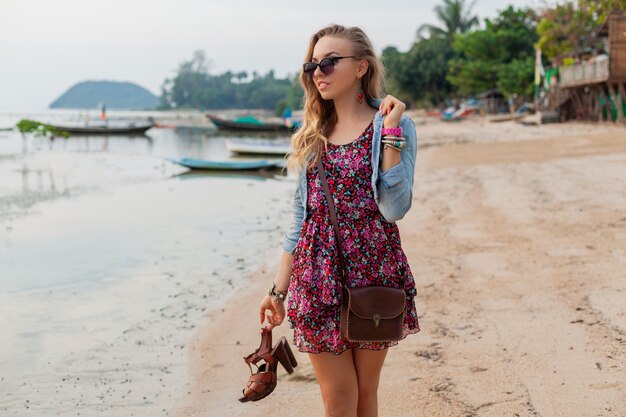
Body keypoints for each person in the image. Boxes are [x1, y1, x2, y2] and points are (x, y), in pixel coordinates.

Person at [259, 24, 420, 417]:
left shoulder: (391, 126)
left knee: (366, 395)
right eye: (312, 64)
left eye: (329, 62)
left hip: (375, 271)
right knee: (339, 399)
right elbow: (300, 219)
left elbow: (395, 208)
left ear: (362, 67)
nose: (318, 72)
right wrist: (277, 294)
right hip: (317, 277)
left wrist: (394, 133)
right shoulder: (311, 134)